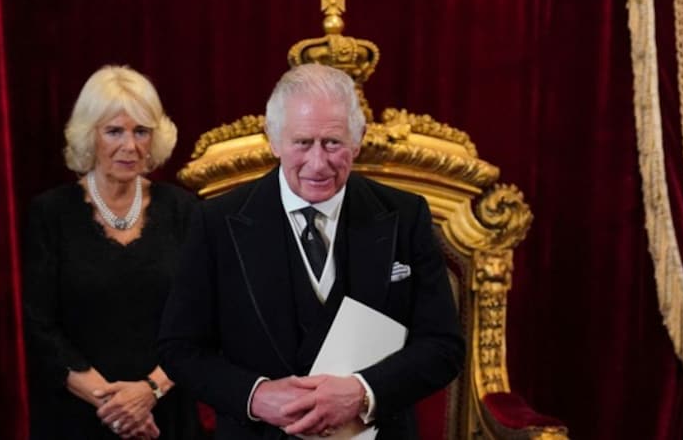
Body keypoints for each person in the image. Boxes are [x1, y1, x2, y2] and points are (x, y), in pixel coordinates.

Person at [158, 63, 465, 439]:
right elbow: (180, 349)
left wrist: (363, 392)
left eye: (333, 143)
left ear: (358, 139)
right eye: (302, 143)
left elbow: (443, 346)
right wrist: (256, 396)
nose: (318, 164)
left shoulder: (405, 216)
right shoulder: (216, 222)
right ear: (272, 139)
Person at [23, 65, 202, 439]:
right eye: (114, 131)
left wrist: (150, 391)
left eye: (141, 131)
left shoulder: (183, 211)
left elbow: (203, 316)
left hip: (166, 415)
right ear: (90, 136)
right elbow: (37, 326)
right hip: (76, 418)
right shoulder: (49, 214)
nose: (130, 146)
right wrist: (116, 407)